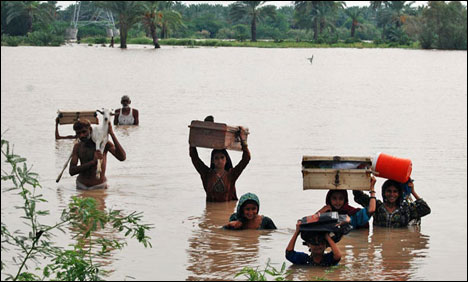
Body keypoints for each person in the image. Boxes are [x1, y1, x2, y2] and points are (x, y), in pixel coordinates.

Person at [189, 127, 250, 202]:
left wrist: (243, 140)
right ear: (212, 161)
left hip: (227, 211)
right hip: (210, 211)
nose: (219, 160)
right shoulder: (206, 174)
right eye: (216, 158)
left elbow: (246, 159)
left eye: (222, 158)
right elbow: (194, 157)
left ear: (226, 160)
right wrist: (193, 139)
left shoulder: (231, 175)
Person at [69, 119, 126, 190]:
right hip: (81, 185)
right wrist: (93, 162)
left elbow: (122, 157)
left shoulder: (104, 143)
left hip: (99, 186)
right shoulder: (78, 146)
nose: (81, 135)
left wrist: (112, 134)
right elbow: (72, 171)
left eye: (84, 132)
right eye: (78, 133)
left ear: (90, 129)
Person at [353, 179, 431, 228]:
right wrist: (370, 186)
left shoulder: (405, 209)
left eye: (395, 192)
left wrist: (413, 191)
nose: (392, 195)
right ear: (384, 193)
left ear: (399, 193)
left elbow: (426, 209)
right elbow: (358, 195)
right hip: (381, 245)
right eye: (389, 191)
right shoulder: (377, 206)